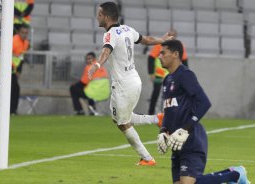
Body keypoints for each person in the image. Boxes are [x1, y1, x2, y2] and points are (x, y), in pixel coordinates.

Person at [88, 2, 172, 166]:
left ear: (106, 17)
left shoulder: (110, 34)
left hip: (123, 85)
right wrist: (161, 40)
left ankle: (147, 158)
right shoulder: (127, 29)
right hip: (133, 80)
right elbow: (146, 40)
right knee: (118, 118)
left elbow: (106, 50)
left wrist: (97, 65)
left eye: (99, 15)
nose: (97, 17)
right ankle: (157, 119)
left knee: (122, 122)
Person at [156, 40, 250, 184]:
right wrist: (163, 131)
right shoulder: (167, 80)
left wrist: (186, 129)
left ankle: (235, 175)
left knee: (189, 183)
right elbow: (168, 111)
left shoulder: (186, 75)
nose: (159, 56)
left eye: (163, 52)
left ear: (175, 54)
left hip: (192, 140)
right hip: (177, 143)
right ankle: (233, 174)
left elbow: (205, 102)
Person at [147, 29, 188, 115]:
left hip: (174, 75)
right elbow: (151, 58)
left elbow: (184, 61)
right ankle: (151, 114)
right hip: (160, 75)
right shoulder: (159, 45)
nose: (171, 38)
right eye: (170, 35)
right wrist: (151, 73)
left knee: (174, 96)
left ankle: (171, 114)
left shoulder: (180, 47)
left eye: (173, 36)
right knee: (156, 95)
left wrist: (185, 75)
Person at [11, 24, 29, 114]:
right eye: (23, 32)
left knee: (16, 88)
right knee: (12, 88)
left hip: (14, 69)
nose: (24, 35)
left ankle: (13, 110)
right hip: (6, 67)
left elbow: (21, 57)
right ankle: (10, 110)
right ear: (18, 32)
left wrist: (19, 70)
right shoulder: (13, 40)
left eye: (26, 33)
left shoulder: (26, 43)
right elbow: (7, 54)